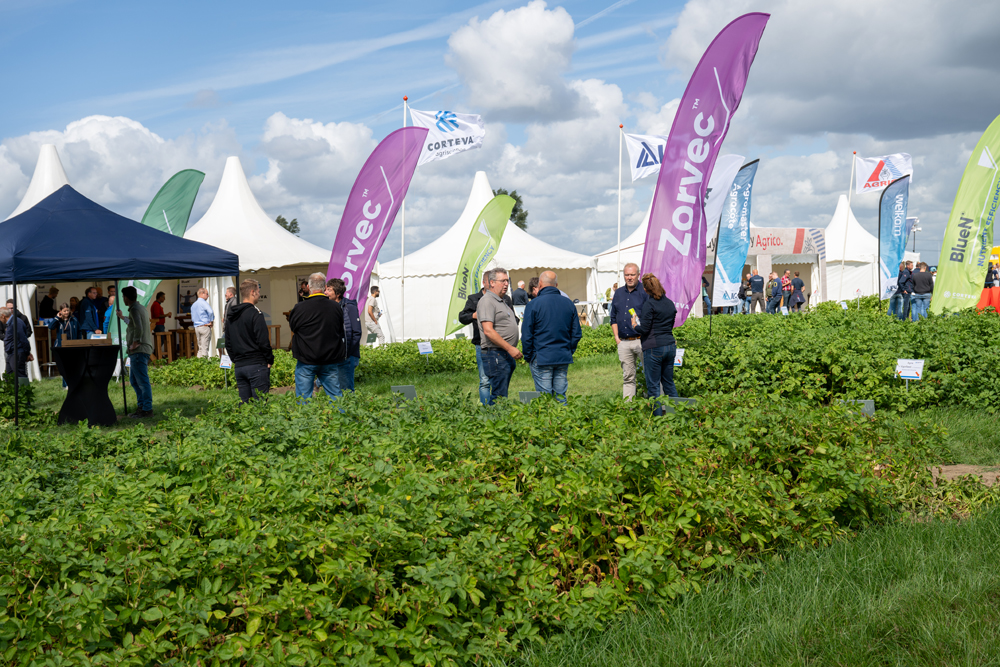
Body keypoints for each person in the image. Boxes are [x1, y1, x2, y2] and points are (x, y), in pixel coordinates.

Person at [521, 271, 581, 403]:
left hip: (541, 356)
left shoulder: (533, 304)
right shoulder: (568, 303)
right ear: (557, 285)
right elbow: (576, 333)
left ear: (540, 284)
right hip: (562, 356)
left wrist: (529, 356)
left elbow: (526, 335)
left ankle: (548, 417)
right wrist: (568, 350)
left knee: (545, 400)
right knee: (560, 397)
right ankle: (563, 416)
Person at [289, 273, 346, 400]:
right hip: (330, 358)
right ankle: (339, 413)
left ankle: (305, 414)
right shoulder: (335, 307)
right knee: (336, 397)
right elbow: (339, 330)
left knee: (303, 399)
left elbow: (293, 328)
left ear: (308, 287)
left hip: (306, 358)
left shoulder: (299, 308)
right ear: (325, 287)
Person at [632, 273, 678, 415]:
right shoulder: (670, 303)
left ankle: (657, 420)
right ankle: (676, 416)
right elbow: (670, 325)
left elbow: (644, 329)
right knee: (669, 383)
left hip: (653, 347)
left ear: (646, 290)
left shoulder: (649, 304)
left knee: (653, 386)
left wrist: (635, 325)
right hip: (670, 345)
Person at [476, 267, 521, 404]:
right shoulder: (487, 301)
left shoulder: (501, 300)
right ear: (492, 283)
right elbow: (488, 331)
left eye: (507, 281)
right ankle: (494, 417)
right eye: (503, 281)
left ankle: (497, 415)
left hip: (503, 354)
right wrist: (510, 348)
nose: (506, 284)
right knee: (499, 396)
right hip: (495, 353)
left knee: (501, 393)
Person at [226, 279, 273, 403]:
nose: (259, 294)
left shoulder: (232, 315)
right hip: (256, 365)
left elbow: (228, 342)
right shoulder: (255, 313)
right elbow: (263, 341)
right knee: (260, 406)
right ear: (253, 292)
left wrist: (236, 360)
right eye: (258, 291)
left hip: (240, 367)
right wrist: (269, 359)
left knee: (245, 407)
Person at [608, 262, 647, 400]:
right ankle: (628, 407)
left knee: (650, 374)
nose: (629, 277)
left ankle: (654, 405)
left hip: (642, 340)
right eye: (627, 275)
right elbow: (613, 317)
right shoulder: (618, 293)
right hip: (624, 342)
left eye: (632, 274)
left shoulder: (644, 292)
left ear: (638, 275)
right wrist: (617, 338)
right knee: (628, 376)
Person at [459, 272, 494, 406]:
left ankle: (499, 408)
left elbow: (513, 318)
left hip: (500, 344)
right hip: (481, 344)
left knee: (499, 379)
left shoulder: (504, 299)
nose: (493, 285)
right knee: (484, 380)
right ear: (484, 283)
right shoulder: (474, 299)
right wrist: (473, 315)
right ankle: (486, 409)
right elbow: (462, 317)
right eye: (490, 282)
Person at [119, 286, 153, 418]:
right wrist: (122, 317)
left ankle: (146, 409)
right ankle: (142, 407)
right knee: (134, 380)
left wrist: (135, 342)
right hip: (140, 350)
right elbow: (133, 323)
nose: (123, 299)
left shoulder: (134, 309)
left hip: (139, 350)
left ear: (126, 298)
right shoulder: (140, 308)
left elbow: (138, 327)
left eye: (123, 297)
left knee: (142, 381)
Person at [326, 278, 362, 392]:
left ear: (337, 294)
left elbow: (356, 332)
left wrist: (347, 352)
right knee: (336, 386)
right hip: (335, 355)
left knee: (346, 389)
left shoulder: (349, 307)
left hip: (348, 355)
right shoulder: (330, 306)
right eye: (326, 289)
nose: (325, 292)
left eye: (329, 290)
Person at [47, 303, 77, 388]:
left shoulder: (74, 320)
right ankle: (65, 384)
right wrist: (57, 318)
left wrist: (77, 342)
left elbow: (78, 332)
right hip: (61, 346)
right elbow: (50, 327)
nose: (66, 312)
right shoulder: (58, 320)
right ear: (60, 311)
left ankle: (71, 384)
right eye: (64, 311)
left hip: (72, 345)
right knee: (64, 366)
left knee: (71, 365)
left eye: (67, 310)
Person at [1, 307, 32, 379]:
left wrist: (27, 353)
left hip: (17, 352)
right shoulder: (10, 323)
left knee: (20, 375)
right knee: (9, 375)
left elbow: (23, 339)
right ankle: (10, 386)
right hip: (11, 352)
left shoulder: (16, 322)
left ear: (3, 316)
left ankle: (25, 386)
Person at [190, 288, 215, 357]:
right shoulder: (203, 302)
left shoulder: (193, 305)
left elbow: (193, 318)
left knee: (200, 348)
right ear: (202, 294)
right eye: (207, 294)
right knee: (204, 349)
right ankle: (204, 363)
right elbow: (211, 312)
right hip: (205, 326)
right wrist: (211, 321)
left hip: (197, 327)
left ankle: (198, 363)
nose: (208, 296)